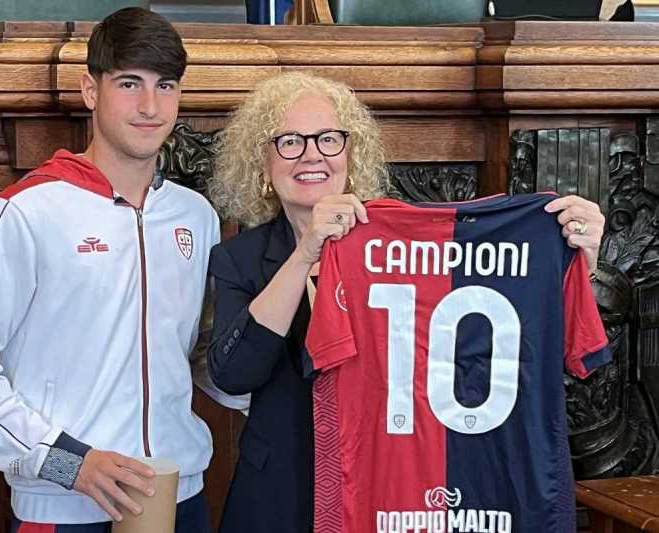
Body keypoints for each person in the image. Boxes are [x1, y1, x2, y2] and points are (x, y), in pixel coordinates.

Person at [205, 71, 605, 533]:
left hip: (384, 491)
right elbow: (233, 374)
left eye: (329, 139)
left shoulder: (407, 249)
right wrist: (304, 254)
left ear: (351, 153)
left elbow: (516, 346)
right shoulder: (238, 258)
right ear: (262, 162)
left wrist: (579, 265)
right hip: (280, 494)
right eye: (290, 141)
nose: (312, 154)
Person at [0, 7, 245, 533]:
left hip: (178, 497)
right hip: (64, 506)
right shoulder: (25, 213)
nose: (150, 106)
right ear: (90, 90)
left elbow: (201, 352)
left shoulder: (196, 216)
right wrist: (67, 463)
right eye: (129, 83)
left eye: (165, 85)